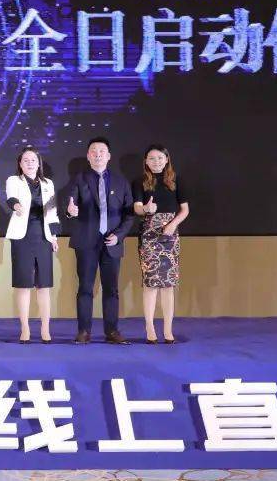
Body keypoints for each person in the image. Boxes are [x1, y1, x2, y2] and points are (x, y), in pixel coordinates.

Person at [65, 136, 134, 345]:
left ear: (109, 156)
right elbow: (70, 205)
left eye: (101, 151)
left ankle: (112, 331)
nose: (97, 155)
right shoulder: (79, 179)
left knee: (111, 289)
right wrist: (70, 211)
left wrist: (119, 235)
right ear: (88, 156)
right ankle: (83, 331)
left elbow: (129, 214)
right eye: (93, 151)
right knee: (85, 287)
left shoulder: (121, 182)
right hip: (87, 242)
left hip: (112, 243)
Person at [132, 145, 190, 344]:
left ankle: (168, 329)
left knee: (168, 285)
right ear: (146, 161)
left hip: (170, 236)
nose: (156, 161)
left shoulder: (176, 180)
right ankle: (149, 327)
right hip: (149, 235)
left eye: (159, 158)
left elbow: (185, 210)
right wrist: (146, 208)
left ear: (166, 159)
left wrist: (173, 224)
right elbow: (137, 208)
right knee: (150, 284)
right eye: (151, 158)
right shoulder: (139, 181)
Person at [5, 147, 60, 344]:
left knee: (43, 285)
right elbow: (11, 198)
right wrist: (16, 206)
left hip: (43, 236)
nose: (30, 163)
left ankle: (45, 328)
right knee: (23, 284)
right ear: (20, 164)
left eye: (33, 160)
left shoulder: (48, 184)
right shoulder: (14, 180)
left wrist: (54, 237)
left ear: (39, 163)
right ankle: (25, 328)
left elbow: (52, 211)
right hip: (22, 236)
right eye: (26, 160)